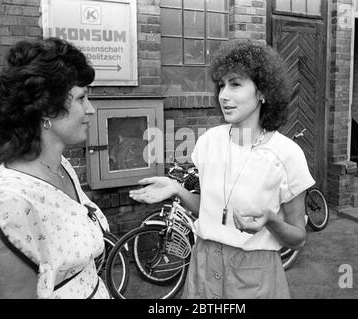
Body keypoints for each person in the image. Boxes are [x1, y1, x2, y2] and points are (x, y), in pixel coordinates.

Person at [129, 40, 315, 299]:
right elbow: (210, 211)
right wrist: (177, 190)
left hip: (254, 277)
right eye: (221, 85)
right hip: (203, 267)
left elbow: (298, 238)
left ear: (262, 92)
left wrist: (271, 221)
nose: (224, 95)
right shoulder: (209, 142)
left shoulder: (287, 155)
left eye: (236, 84)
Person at [0, 37, 110, 299]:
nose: (90, 110)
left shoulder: (62, 166)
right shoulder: (9, 202)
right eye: (81, 98)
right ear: (47, 108)